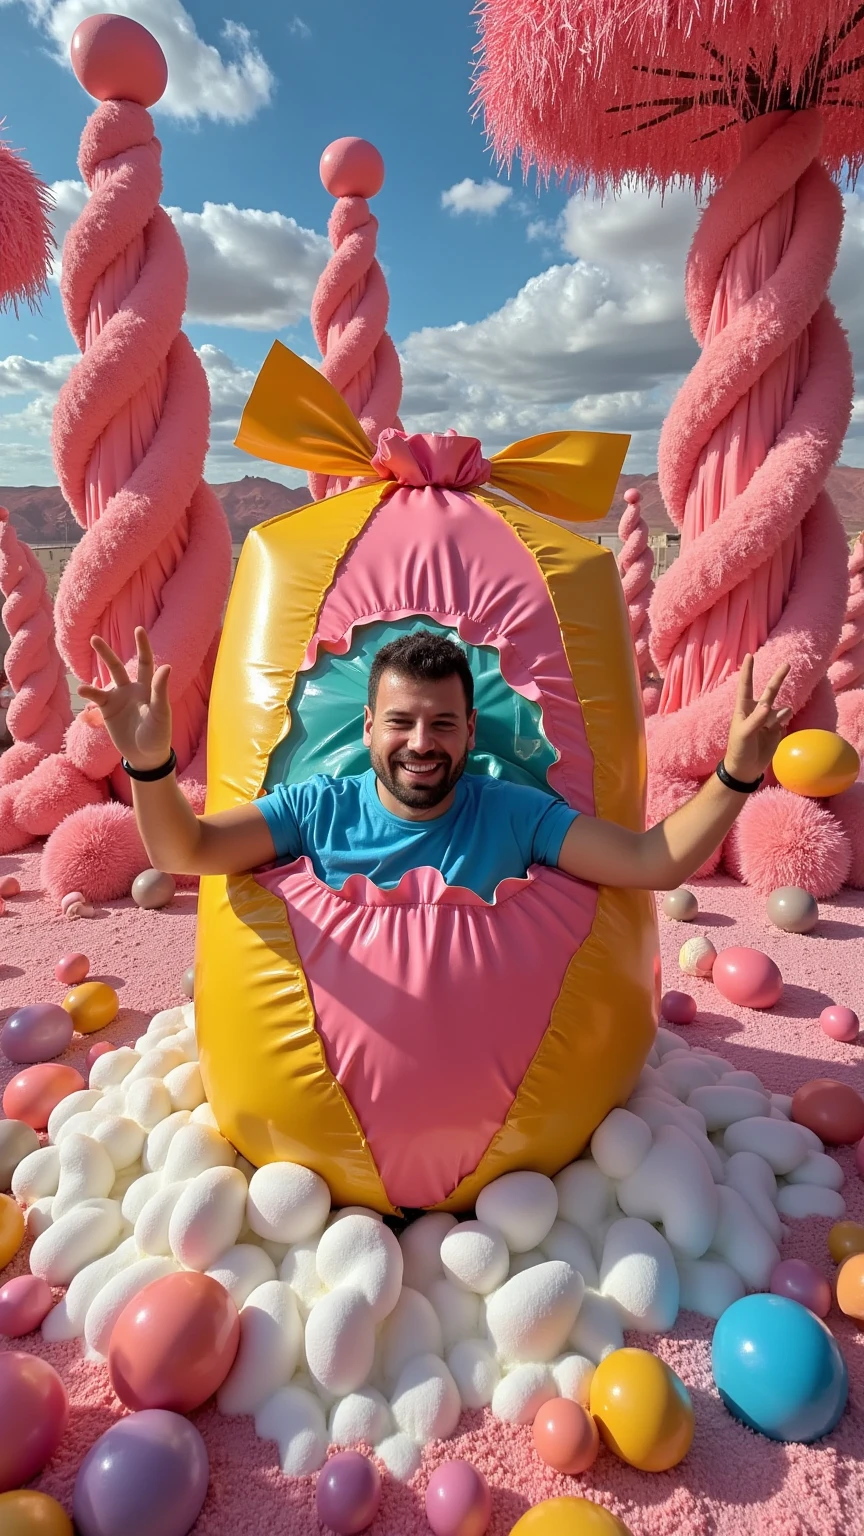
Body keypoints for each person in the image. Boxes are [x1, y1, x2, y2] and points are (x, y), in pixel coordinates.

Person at [79, 625, 792, 896]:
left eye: (442, 723)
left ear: (471, 730)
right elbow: (188, 849)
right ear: (367, 728)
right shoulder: (316, 808)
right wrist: (149, 764)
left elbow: (650, 864)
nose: (421, 742)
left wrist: (734, 774)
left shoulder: (516, 815)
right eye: (401, 722)